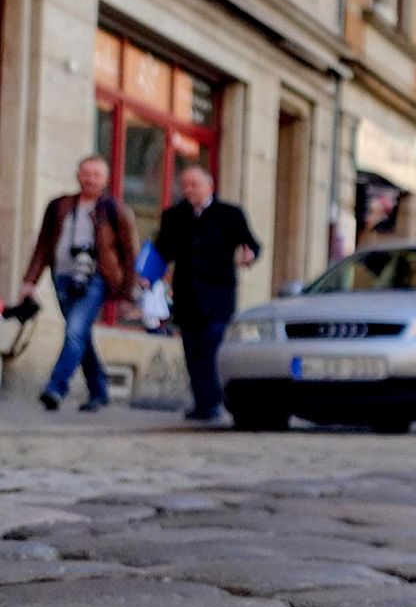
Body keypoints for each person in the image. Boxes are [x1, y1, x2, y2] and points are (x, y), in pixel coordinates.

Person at [17, 155, 137, 412]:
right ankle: (99, 390)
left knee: (74, 332)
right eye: (86, 173)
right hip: (62, 276)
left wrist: (127, 293)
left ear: (105, 179)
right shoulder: (59, 206)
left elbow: (129, 253)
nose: (90, 179)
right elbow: (43, 245)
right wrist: (29, 281)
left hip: (95, 278)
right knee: (80, 335)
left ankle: (55, 388)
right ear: (78, 176)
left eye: (96, 175)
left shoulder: (115, 210)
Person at [155, 166, 259, 422]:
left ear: (209, 186)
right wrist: (147, 275)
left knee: (211, 348)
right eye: (185, 185)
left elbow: (251, 242)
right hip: (186, 294)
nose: (188, 190)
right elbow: (162, 250)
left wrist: (250, 253)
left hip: (219, 294)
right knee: (192, 351)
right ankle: (203, 403)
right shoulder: (174, 215)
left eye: (194, 185)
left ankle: (212, 401)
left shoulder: (230, 214)